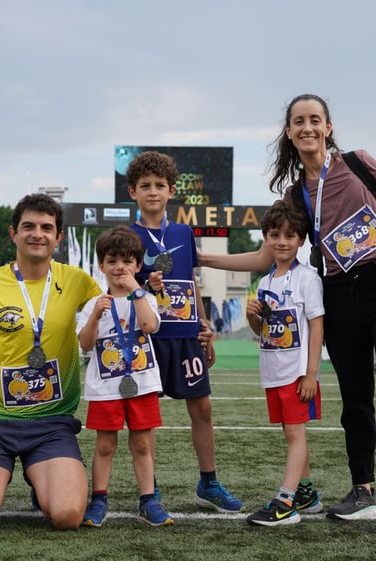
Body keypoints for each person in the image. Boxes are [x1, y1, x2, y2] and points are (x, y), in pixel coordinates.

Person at [200, 94, 376, 533]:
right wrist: (204, 259)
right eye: (298, 121)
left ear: (328, 127)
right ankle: (363, 491)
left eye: (315, 120)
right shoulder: (295, 193)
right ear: (289, 131)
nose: (307, 127)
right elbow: (265, 257)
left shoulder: (359, 163)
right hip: (339, 292)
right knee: (355, 400)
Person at [0, 193, 101, 530]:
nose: (37, 234)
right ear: (13, 232)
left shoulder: (78, 281)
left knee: (67, 517)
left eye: (47, 227)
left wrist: (196, 327)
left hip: (51, 424)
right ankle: (4, 472)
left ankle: (41, 477)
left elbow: (120, 310)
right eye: (28, 226)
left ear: (58, 237)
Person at [127, 150, 244, 513]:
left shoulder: (181, 231)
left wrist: (204, 325)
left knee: (203, 408)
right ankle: (151, 490)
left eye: (159, 185)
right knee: (147, 416)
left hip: (185, 335)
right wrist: (145, 280)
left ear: (171, 190)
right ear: (132, 192)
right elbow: (119, 280)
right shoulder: (127, 235)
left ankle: (208, 482)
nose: (152, 192)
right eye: (145, 186)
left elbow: (191, 281)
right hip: (146, 337)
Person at [77, 226, 172, 527]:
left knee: (142, 445)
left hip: (141, 386)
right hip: (105, 389)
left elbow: (149, 326)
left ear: (138, 265)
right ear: (102, 265)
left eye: (127, 261)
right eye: (112, 260)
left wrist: (136, 290)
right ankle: (99, 499)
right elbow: (85, 343)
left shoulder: (145, 297)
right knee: (105, 445)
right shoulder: (94, 303)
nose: (120, 267)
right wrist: (94, 316)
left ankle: (149, 500)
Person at [244, 201, 325, 527]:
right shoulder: (264, 282)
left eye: (290, 235)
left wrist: (310, 374)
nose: (282, 241)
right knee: (289, 433)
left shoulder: (307, 278)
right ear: (265, 237)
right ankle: (306, 493)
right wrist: (252, 318)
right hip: (273, 373)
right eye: (275, 234)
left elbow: (317, 325)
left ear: (301, 240)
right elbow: (263, 333)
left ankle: (285, 501)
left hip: (296, 374)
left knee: (295, 434)